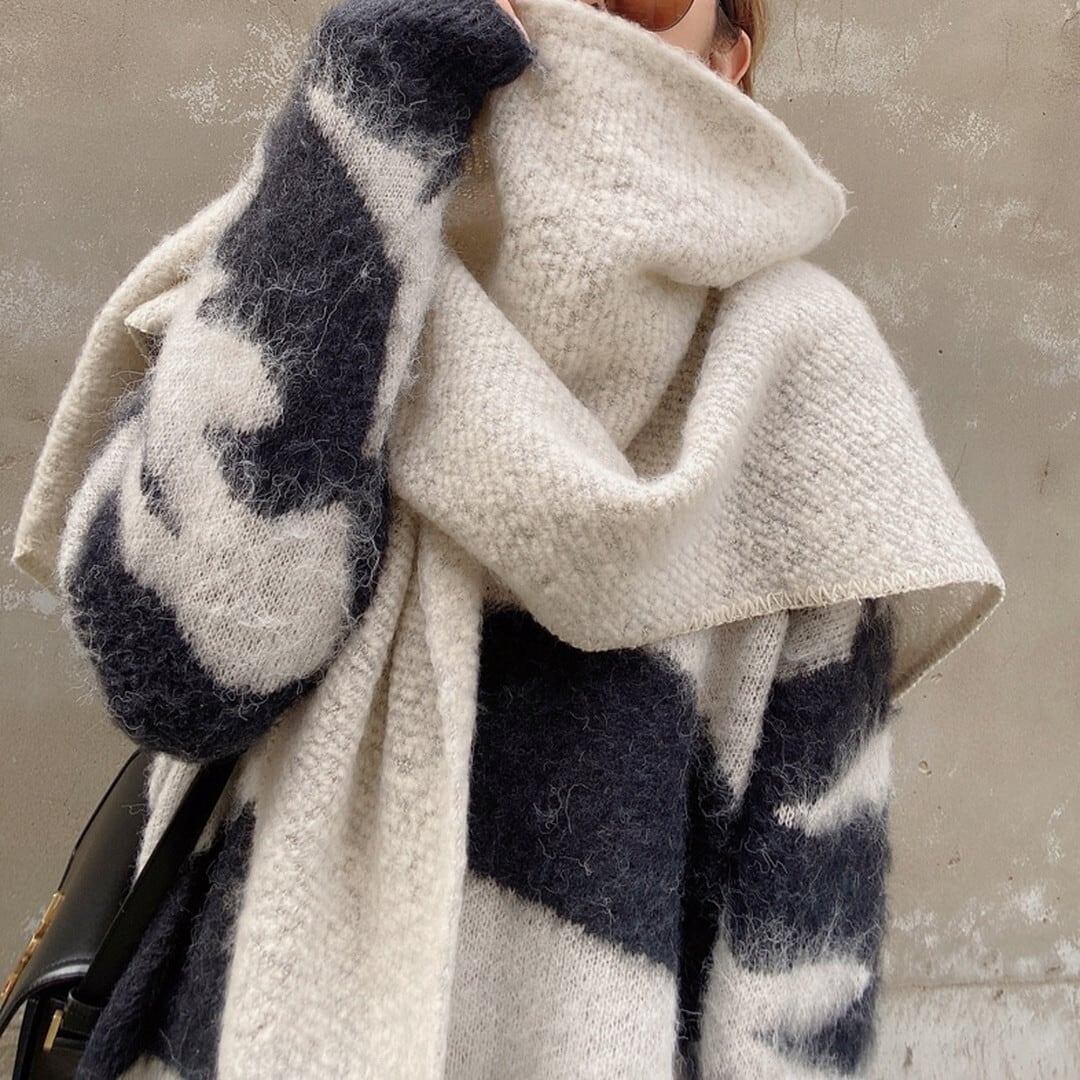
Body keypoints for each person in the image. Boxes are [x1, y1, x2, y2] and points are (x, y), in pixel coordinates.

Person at [8, 0, 1004, 1076]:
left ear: (729, 58)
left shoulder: (805, 380)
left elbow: (801, 943)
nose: (585, 11)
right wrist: (378, 81)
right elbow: (181, 678)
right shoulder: (315, 231)